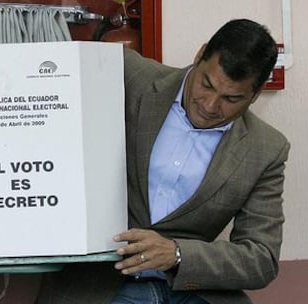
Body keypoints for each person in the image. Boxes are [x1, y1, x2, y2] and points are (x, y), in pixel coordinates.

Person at [36, 18, 290, 304]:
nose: (209, 106)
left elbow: (261, 259)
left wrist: (177, 253)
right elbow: (43, 74)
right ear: (199, 55)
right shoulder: (129, 74)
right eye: (206, 84)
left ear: (255, 95)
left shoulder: (266, 148)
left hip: (194, 288)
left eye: (231, 98)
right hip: (102, 284)